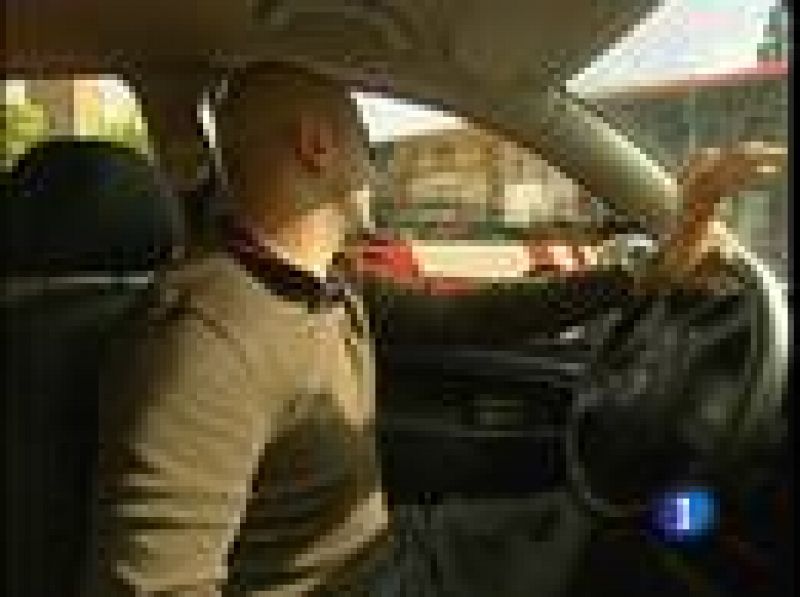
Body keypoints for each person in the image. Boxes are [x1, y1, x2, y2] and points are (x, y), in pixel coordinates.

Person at [81, 62, 393, 595]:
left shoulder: (326, 286)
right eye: (367, 144)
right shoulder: (206, 339)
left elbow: (457, 318)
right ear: (316, 145)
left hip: (382, 561)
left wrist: (564, 292)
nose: (374, 168)